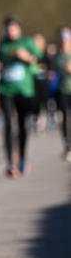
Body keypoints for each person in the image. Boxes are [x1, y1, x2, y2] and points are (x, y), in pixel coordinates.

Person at [0, 15, 43, 177]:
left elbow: (40, 58)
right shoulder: (2, 44)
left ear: (19, 28)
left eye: (13, 28)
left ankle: (22, 157)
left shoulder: (27, 42)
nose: (11, 31)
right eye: (8, 28)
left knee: (23, 125)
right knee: (8, 125)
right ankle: (10, 162)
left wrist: (28, 57)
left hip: (24, 90)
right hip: (5, 89)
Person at [55, 26, 71, 161]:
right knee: (64, 118)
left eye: (67, 38)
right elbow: (60, 67)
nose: (65, 41)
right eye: (63, 39)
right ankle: (67, 146)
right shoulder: (59, 55)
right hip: (63, 90)